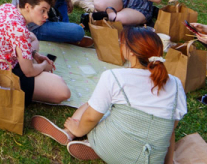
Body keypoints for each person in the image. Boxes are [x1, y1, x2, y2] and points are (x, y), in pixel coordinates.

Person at [32, 27, 186, 163]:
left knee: (93, 106)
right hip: (151, 158)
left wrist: (79, 129)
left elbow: (92, 116)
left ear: (131, 52)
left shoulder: (115, 76)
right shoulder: (177, 84)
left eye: (123, 42)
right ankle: (95, 145)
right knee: (119, 114)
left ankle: (73, 134)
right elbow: (170, 129)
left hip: (114, 147)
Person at [0, 0, 71, 105]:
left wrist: (34, 54)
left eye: (47, 11)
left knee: (33, 38)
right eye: (42, 10)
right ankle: (23, 90)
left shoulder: (8, 7)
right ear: (28, 6)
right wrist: (44, 66)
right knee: (63, 91)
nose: (46, 16)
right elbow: (29, 71)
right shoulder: (19, 31)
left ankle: (32, 66)